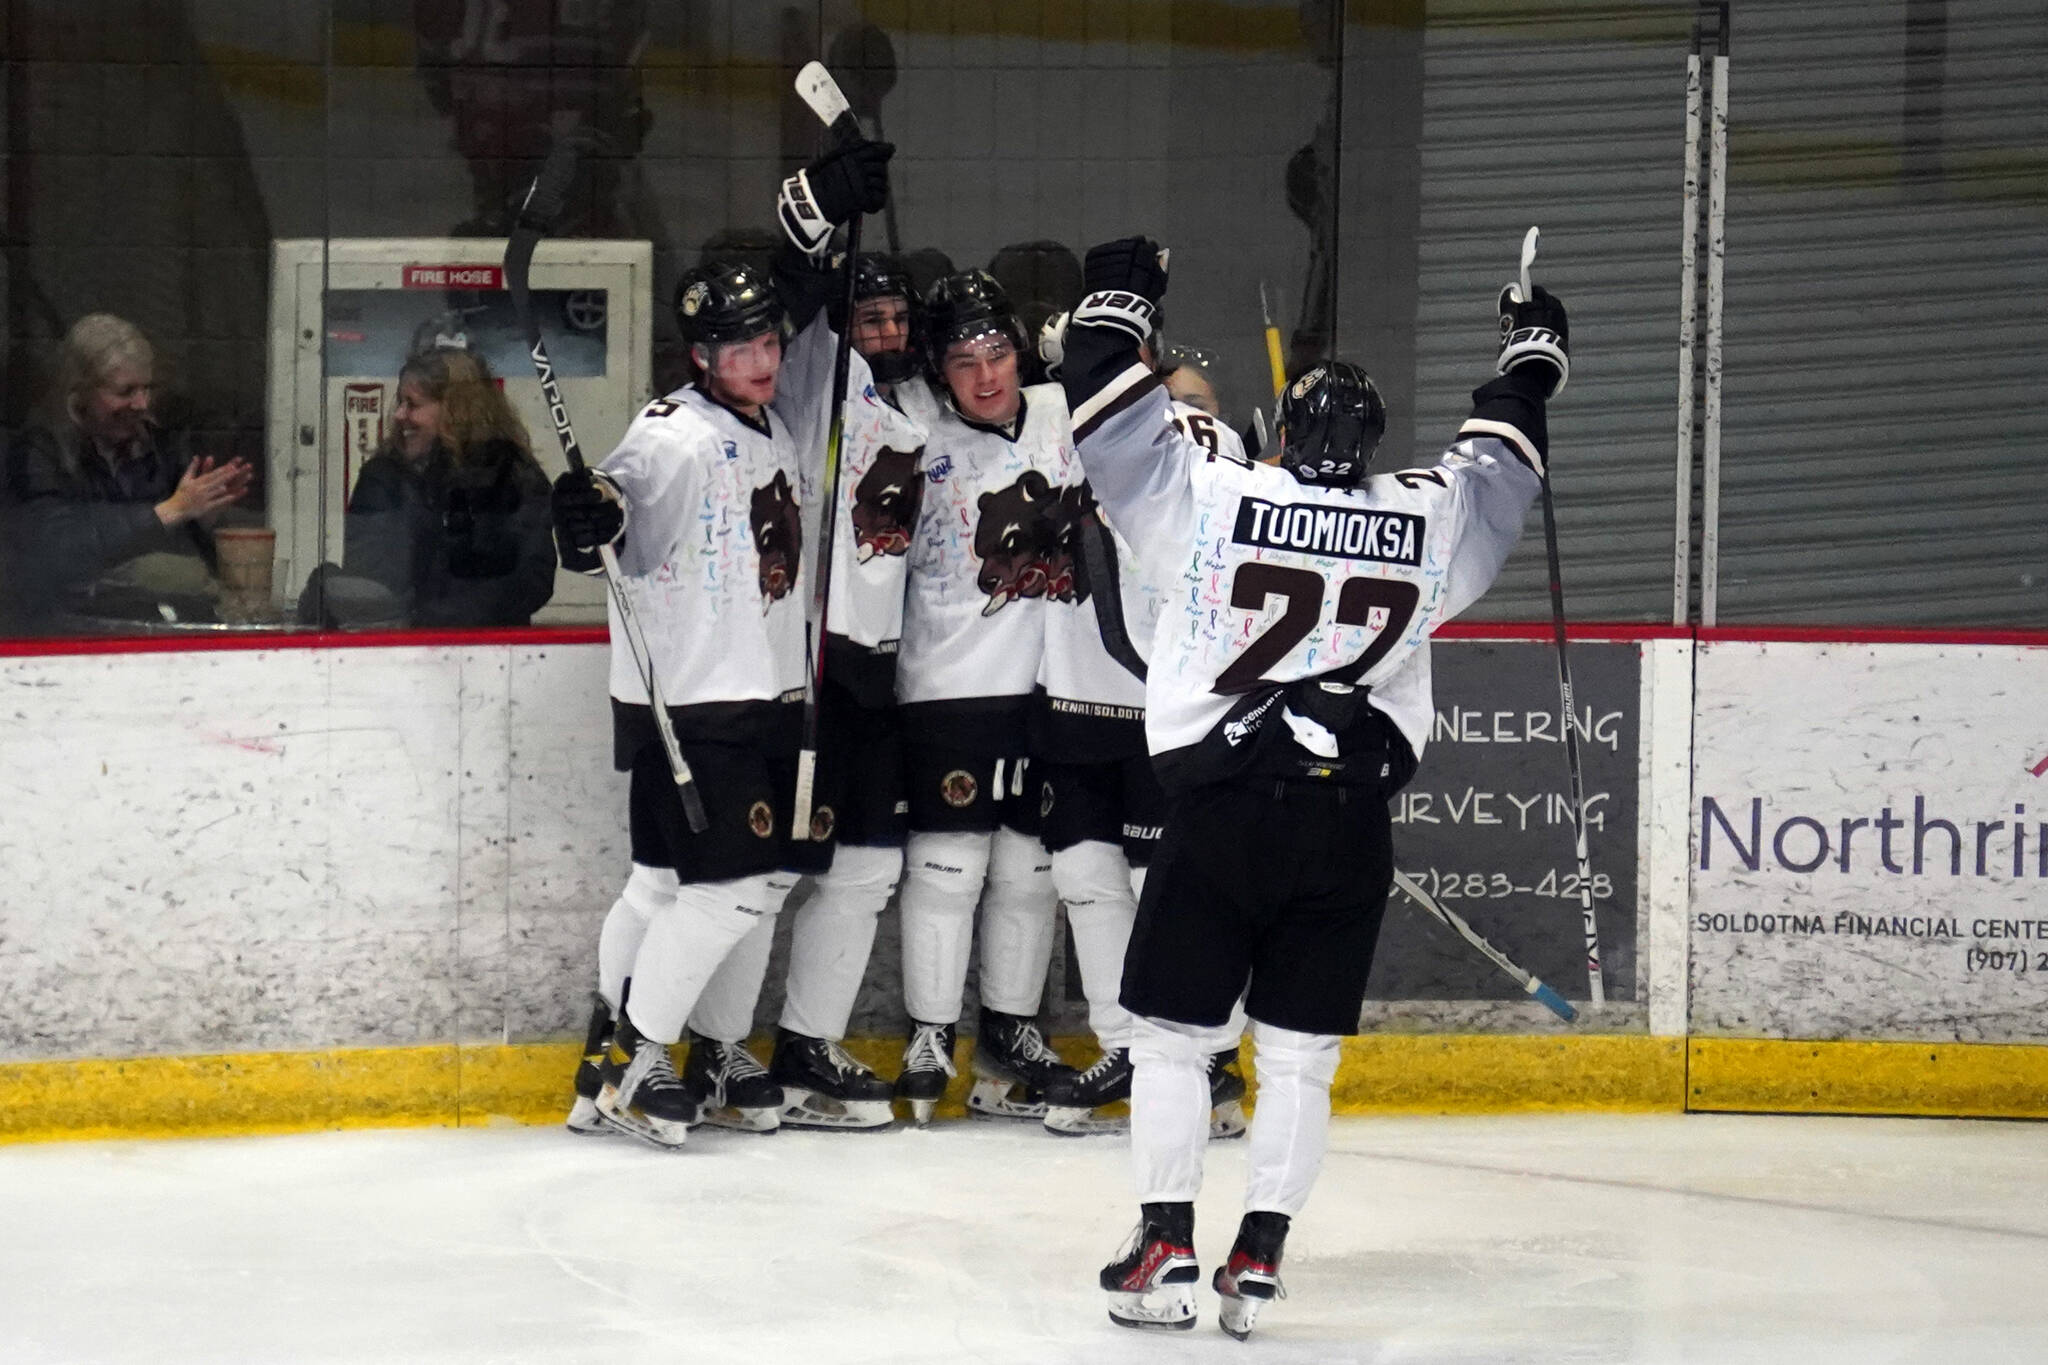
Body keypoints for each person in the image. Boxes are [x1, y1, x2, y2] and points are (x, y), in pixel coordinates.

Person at [1056, 236, 1566, 1336]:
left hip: (1223, 812)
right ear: (1374, 443)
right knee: (1297, 1058)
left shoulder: (1210, 495)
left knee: (1170, 1040)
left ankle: (1164, 1250)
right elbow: (1508, 453)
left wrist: (1122, 293)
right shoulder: (1424, 521)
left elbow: (1096, 383)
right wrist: (1529, 349)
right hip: (1346, 829)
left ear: (1279, 433)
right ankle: (1260, 1254)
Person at [550, 134, 893, 1148]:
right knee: (733, 887)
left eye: (767, 342)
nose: (759, 358)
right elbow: (614, 502)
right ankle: (638, 1063)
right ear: (699, 355)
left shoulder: (773, 422)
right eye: (737, 346)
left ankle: (610, 1061)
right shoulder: (673, 431)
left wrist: (822, 223)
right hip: (697, 705)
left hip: (756, 696)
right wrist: (587, 511)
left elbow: (805, 304)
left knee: (665, 886)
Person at [673, 254, 931, 1132]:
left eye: (895, 317)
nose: (883, 333)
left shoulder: (926, 401)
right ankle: (717, 1041)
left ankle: (804, 1041)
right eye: (867, 317)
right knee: (773, 869)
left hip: (879, 669)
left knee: (867, 868)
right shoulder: (818, 377)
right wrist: (825, 252)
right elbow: (807, 309)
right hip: (809, 659)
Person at [1032, 316, 1251, 1140]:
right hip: (1081, 694)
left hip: (1166, 700)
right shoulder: (1072, 423)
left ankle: (1209, 1049)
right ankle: (1130, 1047)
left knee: (1158, 887)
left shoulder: (1194, 438)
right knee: (1090, 879)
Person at [886, 268, 1087, 1124]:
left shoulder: (1063, 414)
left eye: (997, 351)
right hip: (946, 690)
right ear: (938, 370)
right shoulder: (907, 430)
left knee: (1030, 871)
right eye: (963, 360)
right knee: (947, 869)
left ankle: (1009, 1031)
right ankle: (930, 1031)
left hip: (1049, 690)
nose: (986, 375)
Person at [3, 313, 251, 632]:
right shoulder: (38, 452)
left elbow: (195, 562)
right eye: (125, 391)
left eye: (147, 389)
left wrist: (205, 518)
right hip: (62, 634)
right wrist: (168, 511)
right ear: (79, 394)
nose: (140, 404)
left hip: (155, 624)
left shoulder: (157, 447)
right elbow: (56, 548)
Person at [337, 347, 556, 628]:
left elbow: (532, 578)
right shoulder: (384, 477)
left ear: (455, 411)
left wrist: (448, 621)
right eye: (400, 403)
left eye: (413, 404)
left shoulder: (512, 475)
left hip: (494, 651)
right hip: (395, 647)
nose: (400, 415)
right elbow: (369, 581)